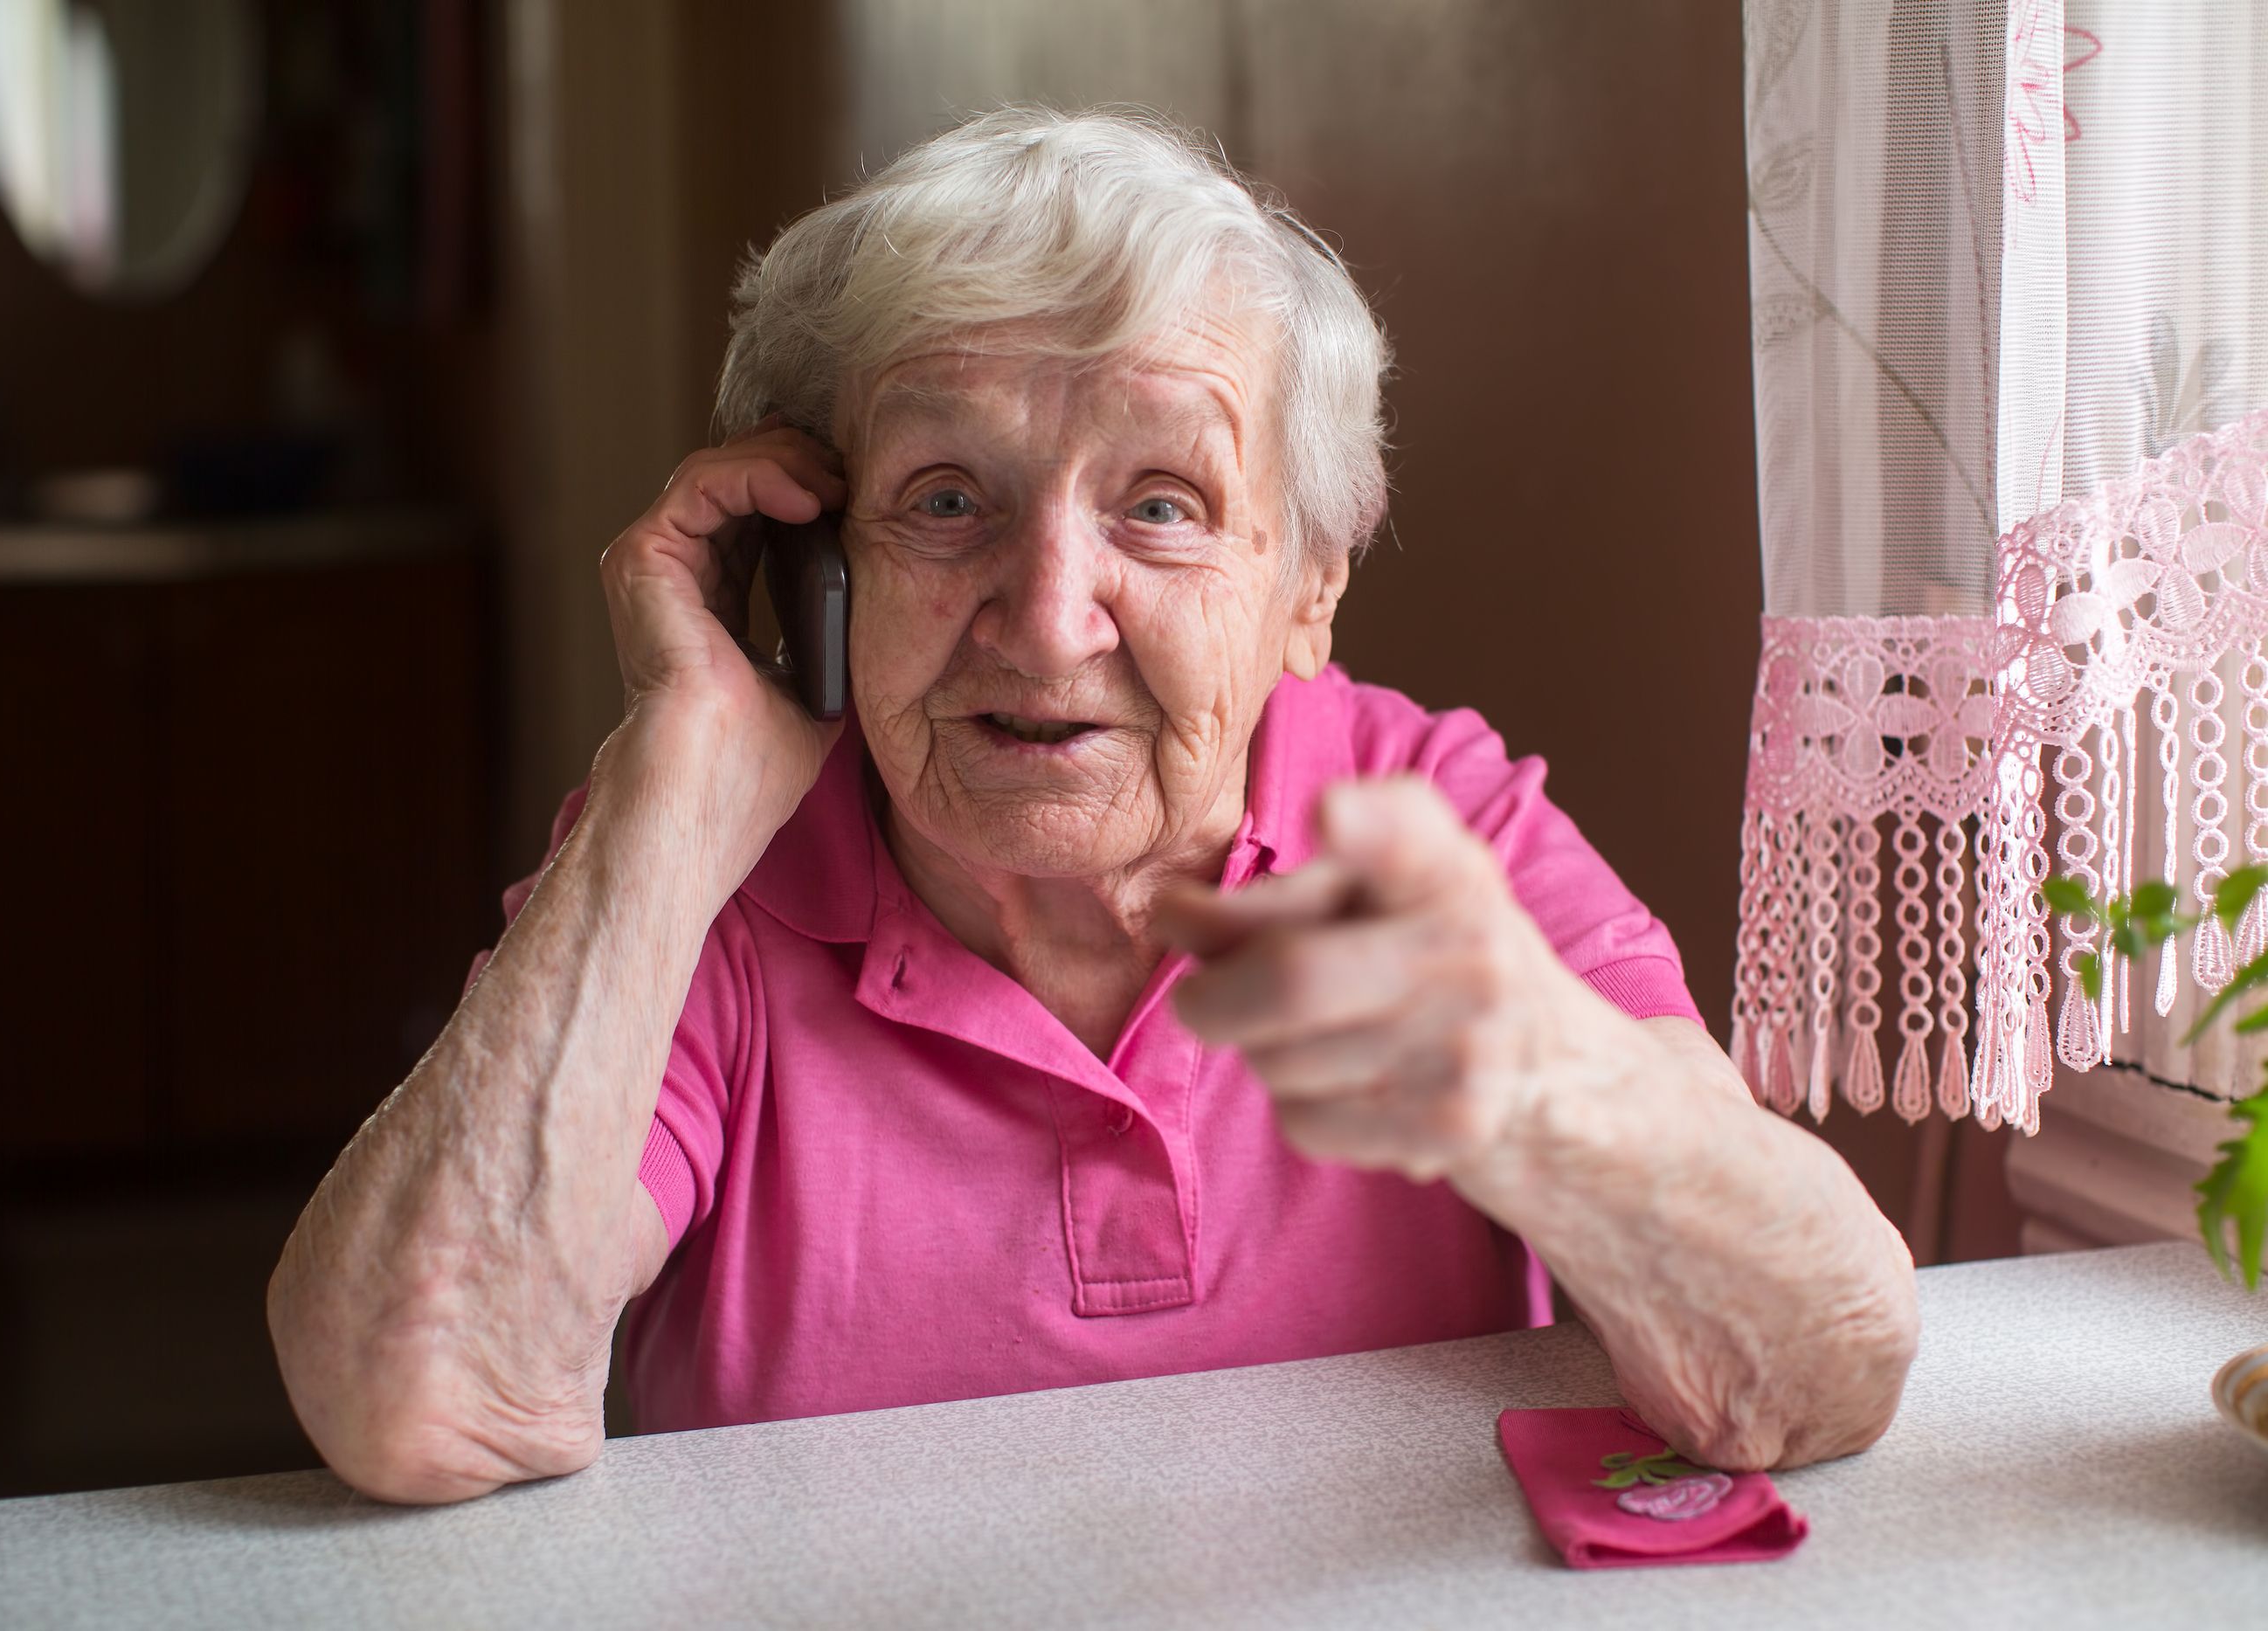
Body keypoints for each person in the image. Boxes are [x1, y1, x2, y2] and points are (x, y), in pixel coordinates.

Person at [266, 106, 1918, 1505]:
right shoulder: (704, 867)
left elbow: (1817, 1366)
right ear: (816, 558)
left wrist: (1534, 1082)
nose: (1049, 614)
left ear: (1307, 589)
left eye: (1162, 503)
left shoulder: (1432, 822)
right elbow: (424, 1400)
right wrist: (669, 779)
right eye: (945, 499)